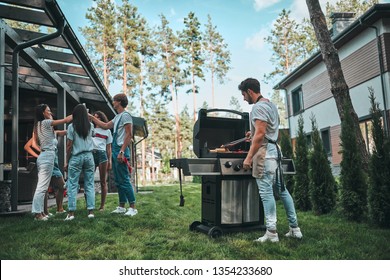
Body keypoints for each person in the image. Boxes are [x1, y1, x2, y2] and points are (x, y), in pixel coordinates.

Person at [238, 78, 302, 242]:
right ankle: (295, 229)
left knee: (266, 194)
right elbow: (268, 131)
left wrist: (248, 157)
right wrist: (252, 133)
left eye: (244, 94)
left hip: (265, 154)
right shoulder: (271, 105)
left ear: (250, 91)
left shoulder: (258, 107)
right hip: (275, 153)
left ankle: (272, 233)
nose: (244, 98)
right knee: (282, 191)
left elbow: (260, 135)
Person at [89, 93, 137, 216]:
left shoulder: (126, 116)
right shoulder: (117, 117)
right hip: (116, 150)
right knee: (118, 180)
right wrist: (91, 117)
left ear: (119, 102)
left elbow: (129, 134)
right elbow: (105, 126)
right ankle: (121, 206)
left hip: (121, 150)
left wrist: (121, 151)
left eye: (114, 100)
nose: (112, 102)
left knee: (124, 179)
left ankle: (132, 207)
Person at [31, 104, 72, 221]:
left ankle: (41, 213)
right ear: (43, 113)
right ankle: (38, 214)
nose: (51, 113)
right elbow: (66, 120)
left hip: (46, 156)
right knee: (42, 187)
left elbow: (64, 131)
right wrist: (80, 113)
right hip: (47, 156)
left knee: (44, 187)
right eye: (48, 111)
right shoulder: (44, 123)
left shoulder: (43, 126)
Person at [64, 104, 95, 221]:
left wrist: (66, 161)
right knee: (90, 184)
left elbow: (69, 146)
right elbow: (93, 135)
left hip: (76, 157)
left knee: (72, 185)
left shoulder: (71, 127)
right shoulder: (90, 126)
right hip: (89, 156)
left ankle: (71, 213)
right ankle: (90, 211)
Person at [24, 135, 67, 216]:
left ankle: (59, 209)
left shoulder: (53, 132)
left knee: (62, 186)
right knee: (45, 189)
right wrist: (39, 154)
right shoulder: (40, 133)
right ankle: (45, 212)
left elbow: (64, 132)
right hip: (46, 162)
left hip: (54, 164)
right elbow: (27, 146)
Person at [91, 111, 112, 211]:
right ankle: (90, 205)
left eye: (98, 118)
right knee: (89, 180)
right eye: (94, 117)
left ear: (102, 119)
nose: (96, 119)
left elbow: (109, 148)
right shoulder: (91, 129)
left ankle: (102, 206)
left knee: (103, 181)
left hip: (102, 155)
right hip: (91, 154)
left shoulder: (107, 131)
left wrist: (110, 160)